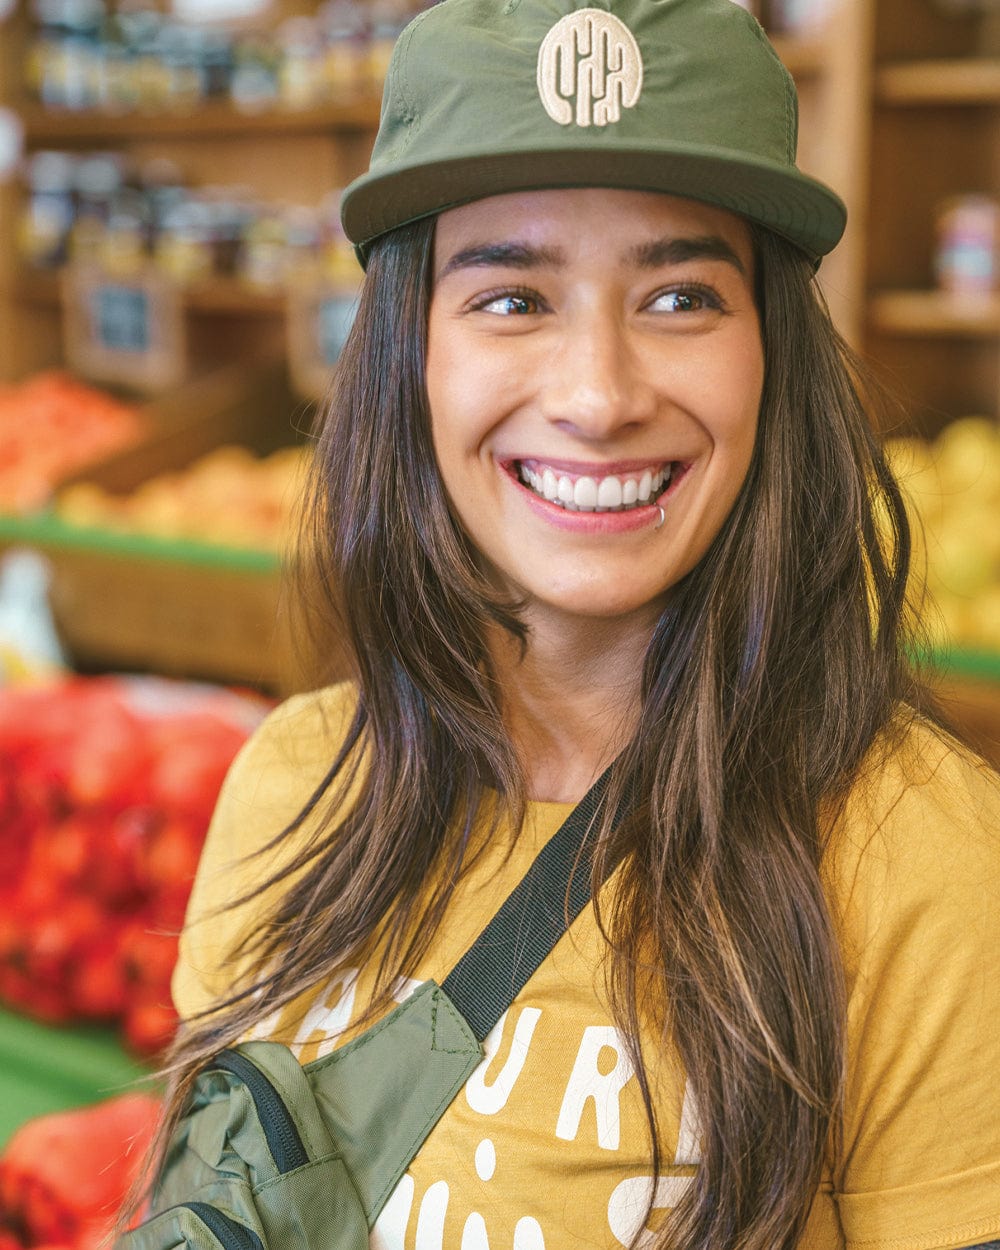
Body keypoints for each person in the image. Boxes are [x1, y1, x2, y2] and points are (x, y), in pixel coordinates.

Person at [143, 1, 1000, 1248]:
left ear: (771, 351)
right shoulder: (295, 784)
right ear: (410, 352)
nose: (598, 395)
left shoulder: (920, 861)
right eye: (510, 299)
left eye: (680, 295)